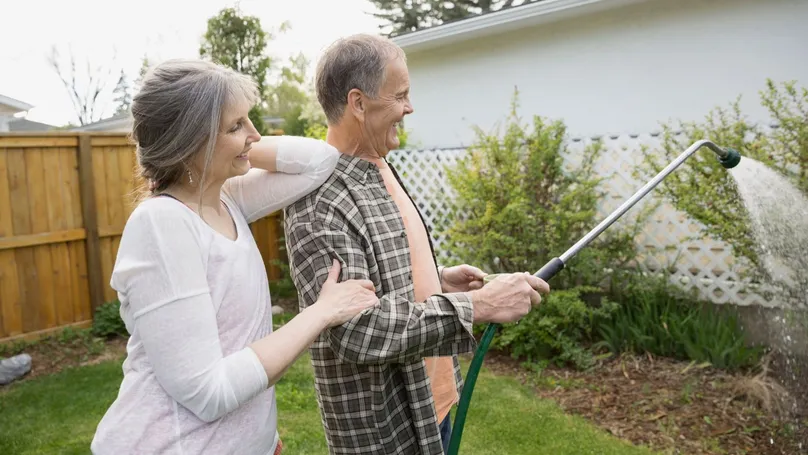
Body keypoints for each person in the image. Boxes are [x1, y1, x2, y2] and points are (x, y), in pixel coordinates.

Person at [90, 58, 379, 455]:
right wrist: (321, 312)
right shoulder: (162, 225)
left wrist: (231, 148)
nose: (255, 134)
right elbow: (209, 393)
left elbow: (319, 161)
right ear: (192, 142)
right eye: (236, 125)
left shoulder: (226, 202)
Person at [283, 34, 551, 455]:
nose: (410, 108)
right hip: (386, 430)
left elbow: (382, 271)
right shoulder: (321, 201)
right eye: (400, 96)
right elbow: (357, 329)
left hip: (433, 401)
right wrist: (480, 307)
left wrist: (438, 283)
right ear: (358, 103)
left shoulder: (378, 164)